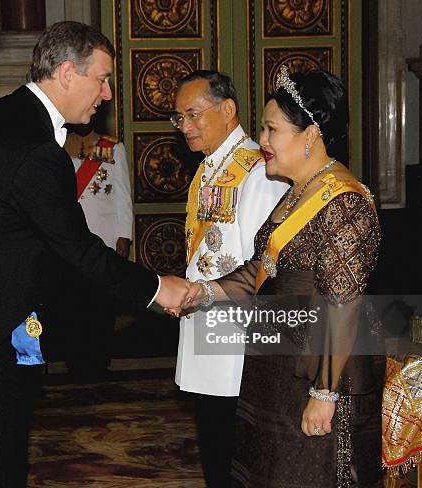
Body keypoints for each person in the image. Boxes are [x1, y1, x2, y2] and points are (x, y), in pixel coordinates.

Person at [0, 21, 190, 487]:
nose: (106, 94)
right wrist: (157, 288)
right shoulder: (35, 150)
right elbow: (76, 249)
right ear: (68, 73)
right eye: (102, 79)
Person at [181, 67, 383, 487]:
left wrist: (324, 393)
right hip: (281, 363)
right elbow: (261, 269)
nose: (265, 141)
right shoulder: (297, 192)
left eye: (272, 129)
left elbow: (342, 305)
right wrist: (203, 292)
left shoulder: (343, 203)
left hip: (321, 370)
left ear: (309, 134)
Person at [171, 70, 289, 487]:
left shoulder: (258, 172)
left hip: (236, 341)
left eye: (192, 115)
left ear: (227, 110)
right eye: (179, 118)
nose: (184, 126)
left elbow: (266, 266)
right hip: (206, 328)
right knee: (215, 445)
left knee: (237, 455)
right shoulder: (209, 168)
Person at [57, 118, 133, 376]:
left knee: (100, 302)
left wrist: (124, 235)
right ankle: (73, 358)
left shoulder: (112, 148)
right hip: (69, 238)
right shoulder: (58, 145)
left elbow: (122, 195)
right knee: (71, 300)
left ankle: (99, 357)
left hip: (103, 237)